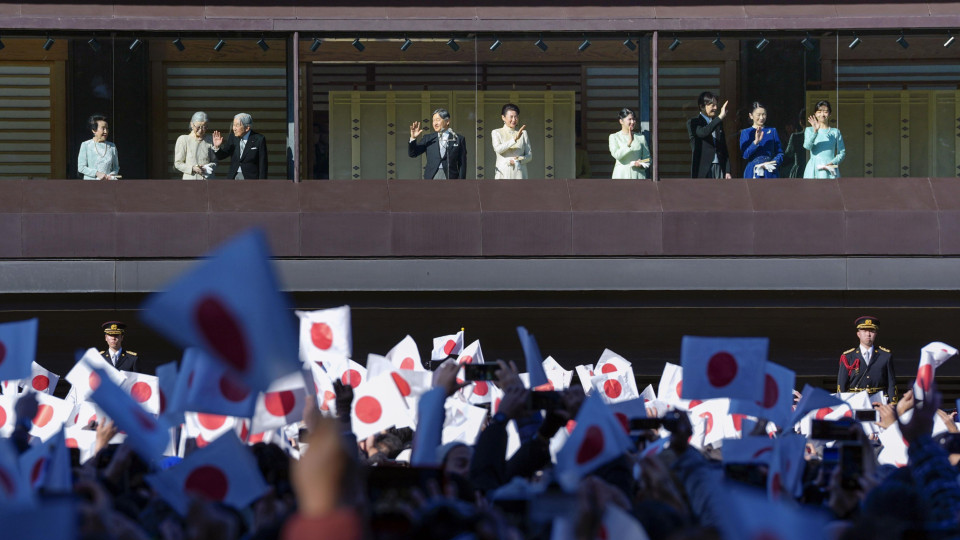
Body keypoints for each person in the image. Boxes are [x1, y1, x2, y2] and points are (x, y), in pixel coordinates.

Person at [837, 316, 896, 402]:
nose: (868, 334)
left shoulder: (885, 356)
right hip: (855, 401)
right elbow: (841, 384)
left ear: (876, 333)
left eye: (872, 331)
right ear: (858, 334)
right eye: (864, 331)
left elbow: (891, 383)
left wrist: (893, 404)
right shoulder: (848, 356)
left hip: (879, 401)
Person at [407, 108, 467, 179]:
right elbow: (413, 154)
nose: (435, 123)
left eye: (438, 120)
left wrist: (461, 182)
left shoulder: (458, 139)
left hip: (451, 177)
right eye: (433, 120)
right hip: (432, 176)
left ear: (447, 121)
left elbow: (462, 163)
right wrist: (413, 138)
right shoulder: (428, 138)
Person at [687, 92, 731, 179]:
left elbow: (723, 148)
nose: (715, 108)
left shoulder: (718, 123)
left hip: (719, 166)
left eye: (716, 105)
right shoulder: (693, 122)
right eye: (712, 105)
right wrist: (720, 117)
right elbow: (703, 133)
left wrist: (727, 170)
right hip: (703, 168)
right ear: (702, 106)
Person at [212, 112, 268, 179]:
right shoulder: (232, 137)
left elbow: (263, 163)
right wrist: (217, 147)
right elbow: (222, 156)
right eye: (234, 125)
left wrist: (262, 182)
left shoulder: (259, 139)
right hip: (234, 176)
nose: (234, 128)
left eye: (237, 125)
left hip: (251, 177)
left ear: (247, 128)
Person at [739, 101, 784, 178]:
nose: (761, 118)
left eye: (764, 114)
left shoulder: (772, 131)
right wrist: (756, 142)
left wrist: (774, 162)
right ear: (751, 115)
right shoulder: (746, 132)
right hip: (753, 170)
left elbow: (780, 153)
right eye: (758, 115)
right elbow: (745, 155)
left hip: (770, 170)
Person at [803, 99, 845, 179]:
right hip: (813, 167)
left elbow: (842, 152)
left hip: (830, 167)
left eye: (825, 112)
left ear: (829, 114)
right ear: (815, 114)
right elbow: (807, 146)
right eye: (819, 112)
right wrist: (815, 131)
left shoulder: (835, 132)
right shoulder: (809, 130)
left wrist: (833, 162)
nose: (822, 114)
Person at [608, 108, 651, 179]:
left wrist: (641, 163)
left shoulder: (641, 137)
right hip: (621, 176)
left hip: (638, 176)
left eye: (634, 119)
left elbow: (648, 159)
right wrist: (629, 143)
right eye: (629, 119)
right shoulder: (614, 137)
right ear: (621, 121)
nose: (632, 122)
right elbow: (616, 155)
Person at [491, 103, 532, 179]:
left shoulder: (523, 133)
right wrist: (514, 139)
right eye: (511, 117)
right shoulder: (496, 132)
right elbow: (498, 149)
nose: (514, 119)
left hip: (520, 174)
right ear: (503, 117)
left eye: (516, 117)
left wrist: (519, 160)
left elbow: (529, 156)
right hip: (503, 174)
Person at [174, 111, 217, 180]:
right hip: (190, 180)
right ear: (191, 124)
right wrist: (193, 168)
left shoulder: (210, 139)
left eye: (204, 127)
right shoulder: (184, 139)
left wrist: (208, 167)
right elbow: (178, 163)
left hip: (207, 180)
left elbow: (215, 162)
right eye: (198, 127)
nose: (200, 130)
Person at [78, 114, 119, 180]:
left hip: (108, 185)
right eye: (103, 128)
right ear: (94, 130)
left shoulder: (112, 146)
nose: (106, 131)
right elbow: (81, 167)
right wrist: (97, 173)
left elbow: (116, 167)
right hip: (90, 185)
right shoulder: (86, 145)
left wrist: (111, 175)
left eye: (107, 129)